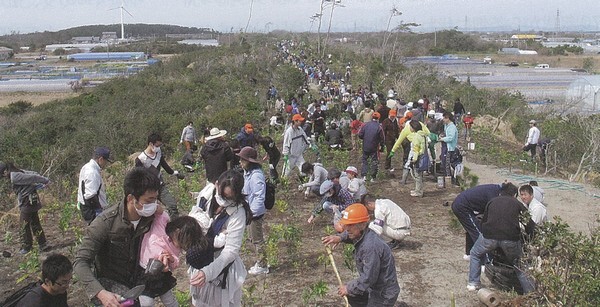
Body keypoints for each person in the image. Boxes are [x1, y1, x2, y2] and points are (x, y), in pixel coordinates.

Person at [74, 167, 161, 307]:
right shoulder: (105, 223)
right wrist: (101, 293)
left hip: (139, 282)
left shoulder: (152, 218)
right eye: (149, 200)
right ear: (131, 198)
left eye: (156, 199)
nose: (154, 205)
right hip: (111, 288)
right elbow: (80, 262)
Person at [188, 170, 252, 307]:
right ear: (216, 185)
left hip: (220, 269)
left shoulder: (238, 212)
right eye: (222, 195)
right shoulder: (208, 194)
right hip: (200, 259)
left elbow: (230, 251)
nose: (224, 201)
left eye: (229, 197)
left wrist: (208, 272)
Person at [321, 204, 400, 306]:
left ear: (361, 224)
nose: (346, 229)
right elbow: (351, 233)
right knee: (352, 295)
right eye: (346, 225)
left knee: (351, 291)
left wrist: (348, 288)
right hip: (374, 286)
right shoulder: (363, 233)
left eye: (350, 225)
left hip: (383, 293)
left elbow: (369, 278)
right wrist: (339, 238)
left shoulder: (370, 247)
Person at [467, 184, 535, 293]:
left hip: (489, 237)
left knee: (475, 253)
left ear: (501, 192)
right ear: (514, 194)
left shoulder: (492, 201)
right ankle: (530, 292)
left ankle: (473, 283)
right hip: (510, 239)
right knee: (519, 264)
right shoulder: (516, 203)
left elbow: (484, 221)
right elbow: (529, 224)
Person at [452, 183, 514, 260]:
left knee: (472, 229)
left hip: (464, 206)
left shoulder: (495, 189)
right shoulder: (493, 195)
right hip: (462, 207)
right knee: (479, 232)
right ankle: (486, 261)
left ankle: (469, 254)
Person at [0, 162, 51, 254]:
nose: (3, 177)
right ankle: (42, 244)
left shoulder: (14, 176)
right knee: (35, 222)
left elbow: (33, 177)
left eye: (2, 175)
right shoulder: (17, 172)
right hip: (31, 199)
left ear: (5, 171)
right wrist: (35, 185)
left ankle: (27, 247)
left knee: (23, 225)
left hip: (27, 201)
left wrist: (45, 181)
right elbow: (33, 173)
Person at [137, 210, 181, 307]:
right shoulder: (160, 227)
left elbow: (175, 263)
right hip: (144, 273)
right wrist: (156, 206)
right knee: (147, 303)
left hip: (161, 276)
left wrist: (172, 259)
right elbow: (160, 214)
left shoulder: (175, 246)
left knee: (170, 302)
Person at [135, 133, 184, 218]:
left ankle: (174, 227)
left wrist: (174, 173)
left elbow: (164, 165)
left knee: (172, 206)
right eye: (157, 145)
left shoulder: (158, 153)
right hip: (148, 189)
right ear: (151, 144)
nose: (159, 147)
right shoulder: (141, 159)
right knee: (150, 214)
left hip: (160, 186)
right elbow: (140, 178)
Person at [237, 147, 269, 275]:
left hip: (255, 213)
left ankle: (262, 264)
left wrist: (252, 213)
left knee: (257, 239)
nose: (240, 162)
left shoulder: (256, 175)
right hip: (250, 212)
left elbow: (259, 196)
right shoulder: (248, 173)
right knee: (253, 238)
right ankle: (261, 262)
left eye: (242, 160)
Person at [77, 147, 112, 224]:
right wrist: (98, 210)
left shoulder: (87, 167)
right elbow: (91, 195)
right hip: (91, 210)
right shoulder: (92, 172)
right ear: (101, 159)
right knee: (97, 233)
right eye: (106, 161)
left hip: (87, 207)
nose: (106, 164)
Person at [358, 112, 385, 182]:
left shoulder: (365, 125)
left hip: (365, 146)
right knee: (374, 161)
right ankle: (373, 177)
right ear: (378, 118)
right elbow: (382, 138)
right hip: (374, 147)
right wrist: (382, 147)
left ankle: (364, 176)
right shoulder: (379, 127)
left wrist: (365, 138)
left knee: (364, 161)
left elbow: (360, 135)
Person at [405, 120, 429, 197]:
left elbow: (416, 149)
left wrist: (414, 160)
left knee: (417, 175)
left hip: (418, 157)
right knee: (420, 175)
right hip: (423, 156)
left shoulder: (416, 137)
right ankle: (418, 190)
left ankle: (419, 191)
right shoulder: (423, 135)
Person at [439, 112, 459, 186]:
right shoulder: (446, 126)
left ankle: (449, 180)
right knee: (444, 162)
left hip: (449, 147)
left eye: (444, 118)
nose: (443, 119)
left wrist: (442, 139)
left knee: (446, 164)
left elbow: (451, 138)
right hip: (445, 146)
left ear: (448, 118)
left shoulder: (452, 127)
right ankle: (447, 178)